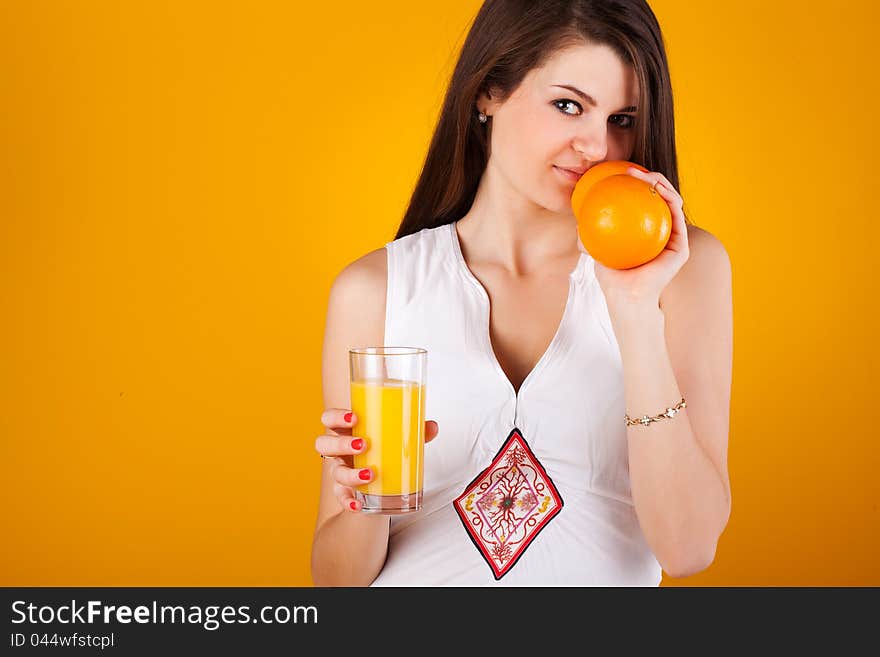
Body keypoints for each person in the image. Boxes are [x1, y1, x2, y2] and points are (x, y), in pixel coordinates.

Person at [311, 0, 732, 586]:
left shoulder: (682, 271)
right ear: (488, 92)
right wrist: (364, 494)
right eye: (568, 105)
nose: (597, 148)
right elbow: (338, 583)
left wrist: (635, 315)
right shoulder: (375, 291)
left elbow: (688, 549)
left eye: (623, 120)